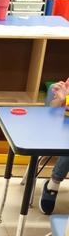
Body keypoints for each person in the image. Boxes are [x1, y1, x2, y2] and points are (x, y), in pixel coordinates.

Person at [39, 76, 69, 215]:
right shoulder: (63, 86)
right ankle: (53, 185)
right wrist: (61, 100)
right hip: (58, 131)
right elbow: (49, 113)